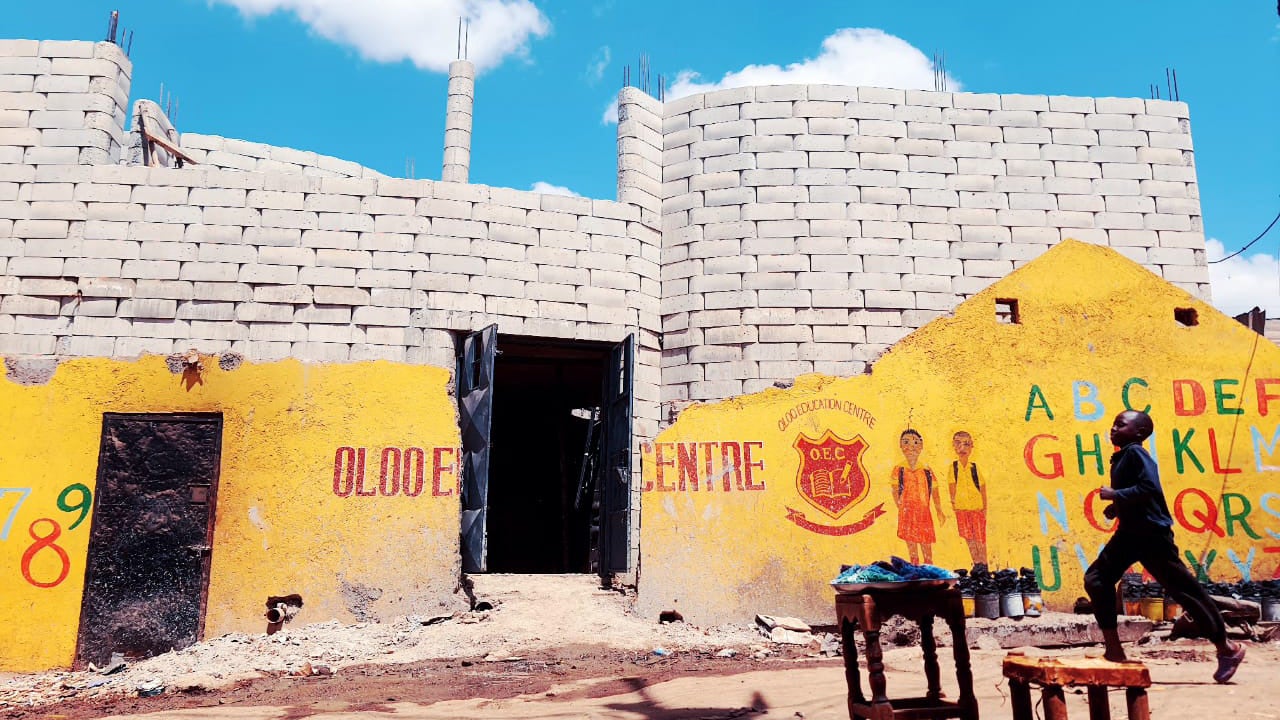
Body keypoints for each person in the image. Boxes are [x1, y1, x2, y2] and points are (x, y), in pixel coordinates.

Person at [1084, 409, 1246, 682]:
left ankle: (1227, 648)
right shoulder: (1124, 454)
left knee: (1186, 592)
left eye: (1120, 425)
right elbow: (1139, 493)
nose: (1113, 428)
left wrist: (1116, 494)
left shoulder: (1137, 453)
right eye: (1113, 423)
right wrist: (1117, 506)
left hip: (1151, 536)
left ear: (1138, 433)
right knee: (1096, 579)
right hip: (1130, 534)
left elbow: (1150, 489)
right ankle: (1113, 651)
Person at [890, 429, 946, 565]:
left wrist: (939, 510)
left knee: (926, 547)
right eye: (906, 442)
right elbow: (894, 489)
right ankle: (915, 571)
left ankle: (929, 572)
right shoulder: (899, 469)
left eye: (916, 442)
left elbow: (935, 491)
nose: (911, 446)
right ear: (901, 446)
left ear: (921, 446)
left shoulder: (926, 470)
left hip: (923, 513)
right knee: (912, 549)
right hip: (907, 513)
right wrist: (901, 506)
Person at [948, 431, 988, 566]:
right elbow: (951, 487)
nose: (962, 448)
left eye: (966, 444)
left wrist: (985, 509)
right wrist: (954, 506)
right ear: (953, 446)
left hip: (977, 508)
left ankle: (984, 565)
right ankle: (977, 565)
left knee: (980, 539)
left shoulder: (975, 467)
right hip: (962, 509)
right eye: (958, 443)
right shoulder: (953, 467)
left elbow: (983, 488)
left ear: (972, 447)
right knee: (969, 539)